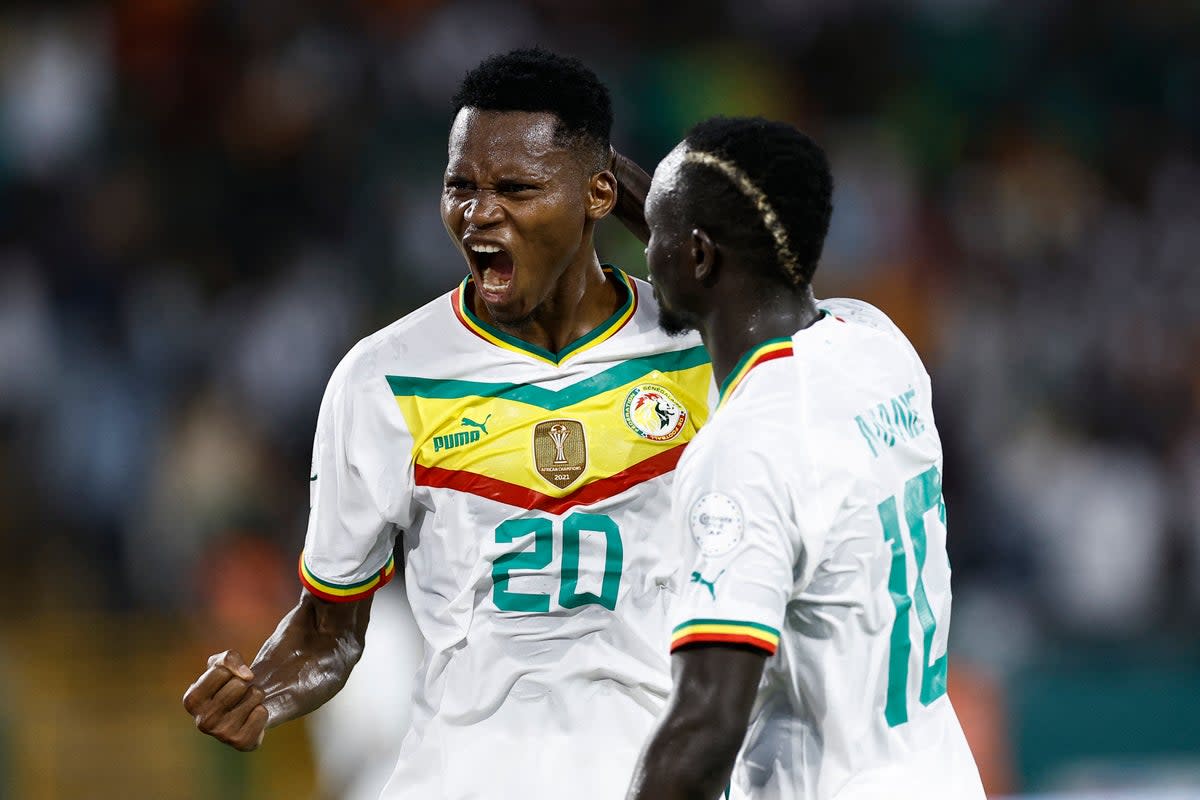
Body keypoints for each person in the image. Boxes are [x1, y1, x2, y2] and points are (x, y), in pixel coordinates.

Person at [182, 48, 712, 798]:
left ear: (598, 192)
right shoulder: (384, 379)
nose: (478, 213)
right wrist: (264, 689)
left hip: (653, 774)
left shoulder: (697, 350)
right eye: (460, 186)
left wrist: (643, 198)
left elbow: (795, 325)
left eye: (515, 188)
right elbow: (329, 631)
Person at [625, 117, 985, 800]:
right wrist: (665, 216)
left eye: (661, 236)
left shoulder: (743, 452)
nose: (648, 258)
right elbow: (745, 300)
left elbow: (704, 732)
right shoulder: (878, 344)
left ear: (700, 256)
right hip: (938, 774)